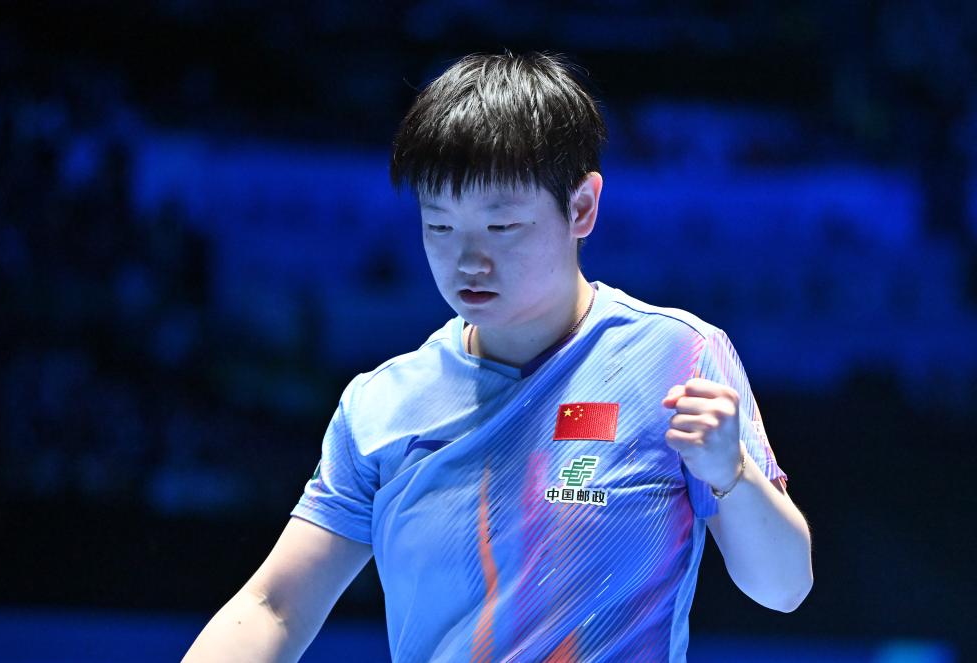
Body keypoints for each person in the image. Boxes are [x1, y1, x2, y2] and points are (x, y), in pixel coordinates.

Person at [182, 51, 813, 663]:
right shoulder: (380, 407)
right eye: (440, 226)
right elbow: (275, 608)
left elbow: (784, 589)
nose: (468, 261)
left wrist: (732, 474)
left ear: (582, 208)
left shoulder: (678, 357)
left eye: (501, 226)